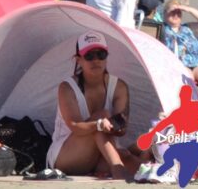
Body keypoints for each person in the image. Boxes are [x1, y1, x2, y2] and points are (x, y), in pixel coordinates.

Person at [47, 31, 137, 180]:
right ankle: (117, 169)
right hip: (64, 157)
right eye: (89, 55)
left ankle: (158, 168)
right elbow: (76, 126)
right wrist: (101, 124)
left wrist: (114, 125)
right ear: (78, 60)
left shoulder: (119, 86)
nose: (96, 60)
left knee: (129, 157)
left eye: (101, 55)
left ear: (107, 57)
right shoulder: (67, 87)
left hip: (98, 155)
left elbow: (122, 130)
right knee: (102, 116)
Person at [161, 0, 198, 100]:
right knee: (188, 75)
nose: (176, 15)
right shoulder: (162, 29)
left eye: (178, 12)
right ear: (165, 14)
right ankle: (194, 107)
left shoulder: (187, 27)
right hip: (177, 66)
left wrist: (188, 9)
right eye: (172, 12)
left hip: (197, 65)